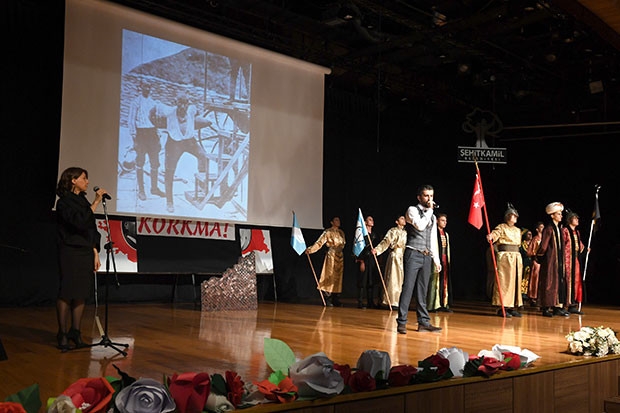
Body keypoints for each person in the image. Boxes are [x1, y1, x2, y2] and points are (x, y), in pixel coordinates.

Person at [55, 167, 104, 351]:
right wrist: (96, 201)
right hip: (69, 251)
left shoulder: (83, 203)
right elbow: (79, 222)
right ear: (73, 180)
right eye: (84, 178)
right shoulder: (64, 203)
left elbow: (91, 229)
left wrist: (95, 251)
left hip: (85, 251)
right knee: (68, 291)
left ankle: (76, 331)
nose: (87, 182)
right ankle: (62, 332)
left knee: (81, 292)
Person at [396, 185, 442, 334]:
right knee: (408, 287)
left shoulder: (432, 216)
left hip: (427, 255)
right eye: (426, 196)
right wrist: (430, 210)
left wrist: (436, 259)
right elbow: (420, 226)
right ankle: (401, 322)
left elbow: (433, 237)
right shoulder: (412, 210)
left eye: (431, 196)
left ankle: (423, 322)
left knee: (423, 290)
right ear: (419, 197)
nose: (429, 199)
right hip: (413, 253)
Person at [156, 93, 212, 213]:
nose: (182, 106)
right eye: (180, 103)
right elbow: (156, 107)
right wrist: (154, 124)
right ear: (176, 103)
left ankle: (202, 189)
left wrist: (201, 119)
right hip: (174, 143)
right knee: (169, 171)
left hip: (189, 141)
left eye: (185, 103)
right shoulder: (169, 111)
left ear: (188, 104)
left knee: (203, 156)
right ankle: (169, 202)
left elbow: (198, 113)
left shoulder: (191, 109)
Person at [127, 82, 165, 201]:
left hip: (152, 134)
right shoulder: (135, 102)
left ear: (151, 89)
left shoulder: (154, 103)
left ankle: (154, 188)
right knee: (140, 161)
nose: (147, 89)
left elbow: (156, 120)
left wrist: (158, 135)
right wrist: (134, 137)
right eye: (145, 87)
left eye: (149, 87)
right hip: (141, 134)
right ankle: (141, 191)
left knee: (155, 162)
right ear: (141, 87)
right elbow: (131, 120)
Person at [486, 204, 523, 317]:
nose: (515, 217)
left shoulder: (517, 230)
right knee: (505, 282)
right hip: (505, 258)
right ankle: (502, 307)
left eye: (516, 216)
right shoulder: (501, 227)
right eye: (513, 215)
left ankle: (512, 306)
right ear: (508, 216)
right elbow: (495, 234)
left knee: (515, 283)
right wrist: (491, 236)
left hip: (516, 257)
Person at [536, 202, 568, 317]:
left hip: (559, 260)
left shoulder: (559, 229)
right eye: (558, 214)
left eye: (560, 214)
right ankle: (546, 307)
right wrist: (539, 256)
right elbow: (544, 246)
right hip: (550, 260)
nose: (561, 216)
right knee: (549, 282)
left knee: (559, 281)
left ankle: (557, 306)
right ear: (552, 215)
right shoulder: (549, 229)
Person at [306, 216, 346, 307]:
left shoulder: (341, 233)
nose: (338, 221)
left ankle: (336, 297)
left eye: (339, 220)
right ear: (332, 222)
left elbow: (343, 244)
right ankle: (327, 297)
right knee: (329, 275)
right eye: (336, 220)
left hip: (340, 256)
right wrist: (311, 249)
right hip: (331, 256)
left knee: (338, 277)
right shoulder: (328, 232)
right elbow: (320, 242)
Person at [373, 215, 407, 310]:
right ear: (397, 221)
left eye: (404, 218)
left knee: (400, 280)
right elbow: (386, 241)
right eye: (401, 218)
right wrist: (377, 249)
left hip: (401, 257)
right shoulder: (393, 231)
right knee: (393, 278)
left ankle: (398, 300)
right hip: (394, 256)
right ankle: (390, 301)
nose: (404, 220)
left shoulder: (405, 232)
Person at [428, 213, 453, 313]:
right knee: (435, 281)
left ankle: (444, 304)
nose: (445, 222)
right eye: (442, 220)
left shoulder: (446, 234)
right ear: (437, 221)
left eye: (446, 221)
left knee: (444, 281)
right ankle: (433, 305)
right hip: (436, 258)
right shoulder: (433, 232)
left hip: (444, 259)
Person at [562, 211, 585, 314]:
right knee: (567, 280)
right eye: (575, 218)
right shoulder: (565, 231)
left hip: (575, 260)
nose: (577, 220)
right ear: (570, 219)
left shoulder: (577, 232)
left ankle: (572, 304)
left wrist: (585, 249)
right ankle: (564, 303)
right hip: (567, 259)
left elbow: (579, 246)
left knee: (575, 281)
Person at [355, 216, 379, 308]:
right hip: (364, 259)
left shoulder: (374, 235)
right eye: (369, 219)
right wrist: (361, 261)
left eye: (372, 219)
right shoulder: (362, 235)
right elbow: (359, 249)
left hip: (372, 259)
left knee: (371, 281)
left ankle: (370, 302)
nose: (372, 221)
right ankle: (360, 302)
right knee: (362, 281)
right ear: (365, 222)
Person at [526, 222, 544, 306]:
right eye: (541, 227)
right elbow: (529, 251)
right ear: (537, 229)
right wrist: (535, 254)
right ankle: (533, 297)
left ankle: (541, 297)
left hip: (544, 262)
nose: (543, 228)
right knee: (535, 279)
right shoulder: (535, 239)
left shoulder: (545, 238)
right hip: (536, 261)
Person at [519, 229, 533, 303]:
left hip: (532, 263)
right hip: (524, 262)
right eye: (528, 234)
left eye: (531, 234)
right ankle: (522, 293)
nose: (530, 236)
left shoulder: (532, 243)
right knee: (523, 278)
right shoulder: (521, 244)